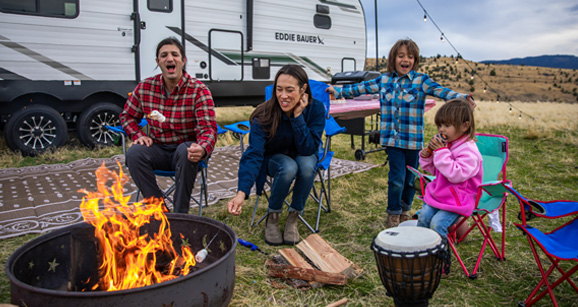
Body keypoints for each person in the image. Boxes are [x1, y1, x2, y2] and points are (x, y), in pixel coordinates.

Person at [327, 38, 475, 228]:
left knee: (410, 178)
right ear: (393, 58)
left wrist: (463, 97)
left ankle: (406, 209)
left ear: (415, 60)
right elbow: (360, 88)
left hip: (413, 141)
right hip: (392, 140)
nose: (406, 60)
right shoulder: (384, 80)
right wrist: (337, 91)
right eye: (401, 55)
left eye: (411, 56)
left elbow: (442, 91)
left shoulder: (421, 81)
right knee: (396, 177)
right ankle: (393, 212)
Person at [227, 64, 325, 245]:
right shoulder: (265, 113)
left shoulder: (316, 109)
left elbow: (308, 149)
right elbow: (254, 154)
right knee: (288, 167)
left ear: (303, 89)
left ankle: (294, 216)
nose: (283, 96)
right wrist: (242, 192)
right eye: (279, 89)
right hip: (274, 159)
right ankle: (272, 216)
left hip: (304, 152)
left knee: (306, 165)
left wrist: (297, 117)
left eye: (290, 90)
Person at [120, 37, 217, 214]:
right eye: (164, 55)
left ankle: (180, 216)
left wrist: (202, 148)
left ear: (183, 60)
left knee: (185, 151)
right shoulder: (145, 88)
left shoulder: (199, 90)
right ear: (158, 62)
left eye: (175, 54)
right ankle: (160, 210)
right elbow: (127, 117)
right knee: (134, 153)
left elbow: (208, 129)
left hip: (186, 152)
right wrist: (138, 135)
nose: (169, 59)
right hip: (158, 149)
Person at [416, 98, 482, 239]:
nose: (441, 129)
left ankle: (440, 258)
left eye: (446, 125)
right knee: (423, 218)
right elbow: (435, 170)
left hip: (459, 199)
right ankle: (421, 252)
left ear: (465, 126)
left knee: (437, 224)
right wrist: (427, 156)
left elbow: (455, 174)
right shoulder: (448, 144)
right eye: (440, 125)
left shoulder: (469, 151)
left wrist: (440, 152)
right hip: (440, 195)